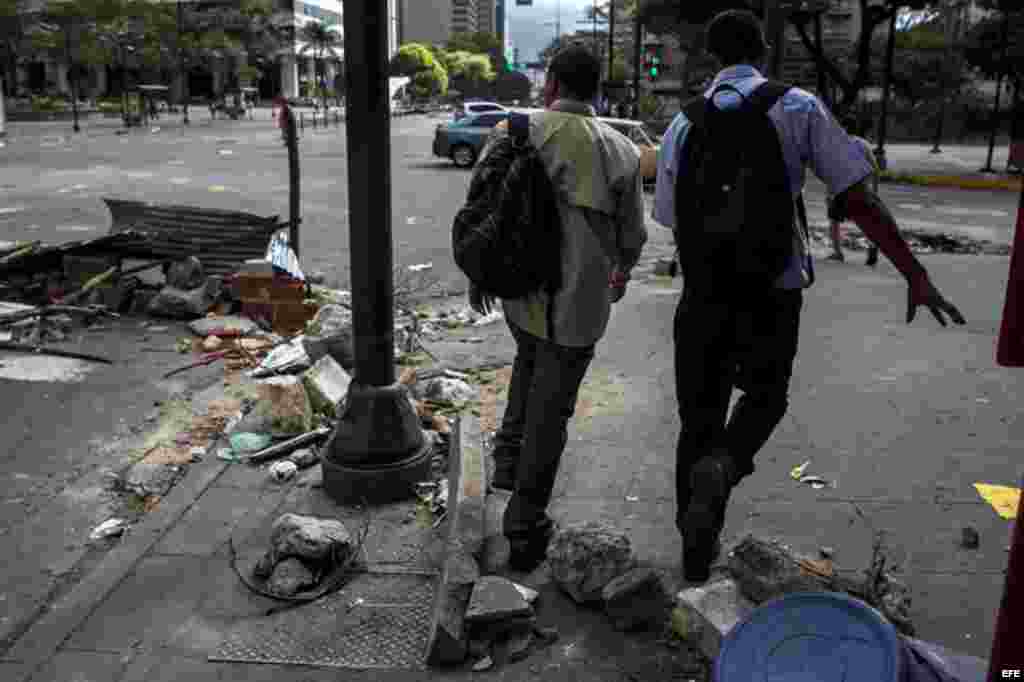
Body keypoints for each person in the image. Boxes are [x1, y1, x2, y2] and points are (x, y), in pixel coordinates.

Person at [653, 9, 965, 583]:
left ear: (712, 58)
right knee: (765, 399)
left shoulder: (682, 125)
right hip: (773, 292)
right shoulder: (796, 106)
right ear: (764, 50)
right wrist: (914, 272)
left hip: (701, 299)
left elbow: (670, 216)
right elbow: (857, 197)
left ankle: (694, 557)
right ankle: (724, 466)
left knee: (696, 422)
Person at [470, 45, 648, 572]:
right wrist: (621, 272)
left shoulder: (516, 130)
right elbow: (633, 236)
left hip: (522, 298)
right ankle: (525, 526)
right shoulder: (619, 150)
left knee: (527, 367)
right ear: (596, 91)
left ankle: (507, 465)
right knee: (552, 411)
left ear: (550, 84)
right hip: (579, 307)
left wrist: (481, 273)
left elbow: (481, 207)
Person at [828, 115, 880, 266]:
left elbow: (832, 170)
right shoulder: (864, 144)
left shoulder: (837, 144)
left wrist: (829, 192)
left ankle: (838, 252)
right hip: (862, 188)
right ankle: (871, 246)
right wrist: (874, 191)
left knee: (834, 221)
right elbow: (875, 169)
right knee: (865, 221)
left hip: (841, 189)